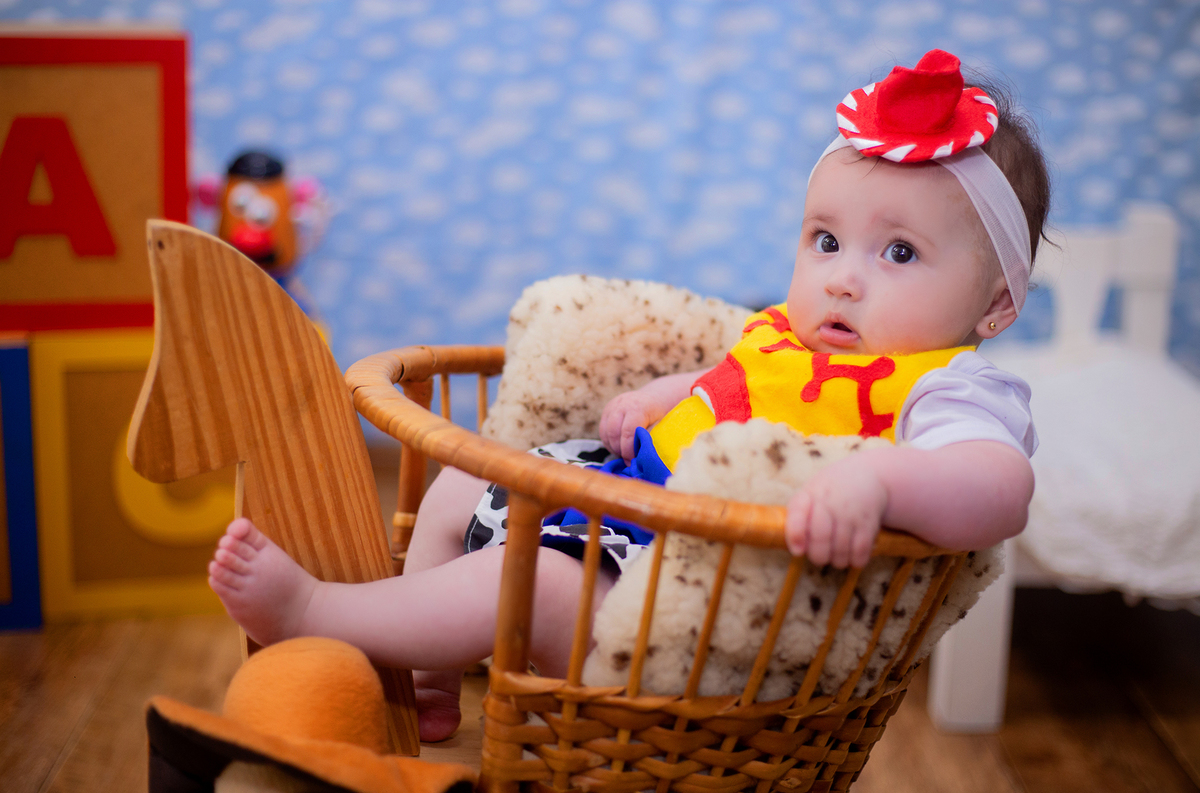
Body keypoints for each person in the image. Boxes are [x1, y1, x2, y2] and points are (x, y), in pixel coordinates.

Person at [208, 49, 1049, 743]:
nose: (844, 281)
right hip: (624, 493)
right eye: (826, 241)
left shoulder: (944, 386)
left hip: (680, 590)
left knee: (527, 581)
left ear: (996, 304)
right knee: (464, 481)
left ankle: (321, 611)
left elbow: (999, 487)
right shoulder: (785, 332)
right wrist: (662, 395)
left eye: (899, 254)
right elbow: (733, 387)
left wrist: (882, 483)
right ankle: (423, 678)